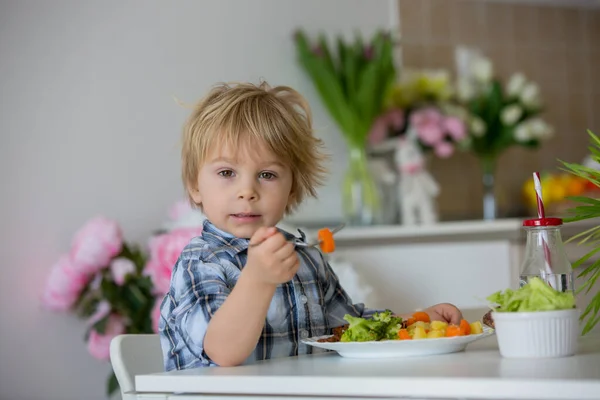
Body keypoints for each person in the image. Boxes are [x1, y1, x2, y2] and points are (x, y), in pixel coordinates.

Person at [158, 81, 463, 370]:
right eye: (226, 173)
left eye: (267, 175)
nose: (247, 191)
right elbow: (222, 351)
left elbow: (352, 329)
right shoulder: (201, 262)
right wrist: (258, 279)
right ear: (194, 186)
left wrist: (417, 319)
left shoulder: (306, 259)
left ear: (292, 188)